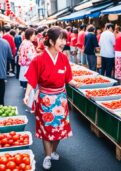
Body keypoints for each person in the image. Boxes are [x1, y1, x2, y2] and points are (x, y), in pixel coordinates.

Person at [23, 26, 79, 170]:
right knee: (47, 130)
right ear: (51, 41)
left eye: (65, 39)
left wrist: (78, 84)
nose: (64, 42)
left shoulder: (63, 58)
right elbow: (31, 79)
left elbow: (68, 79)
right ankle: (47, 156)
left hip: (60, 99)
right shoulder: (39, 59)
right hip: (45, 99)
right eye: (61, 39)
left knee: (59, 129)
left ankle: (54, 151)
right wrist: (27, 94)